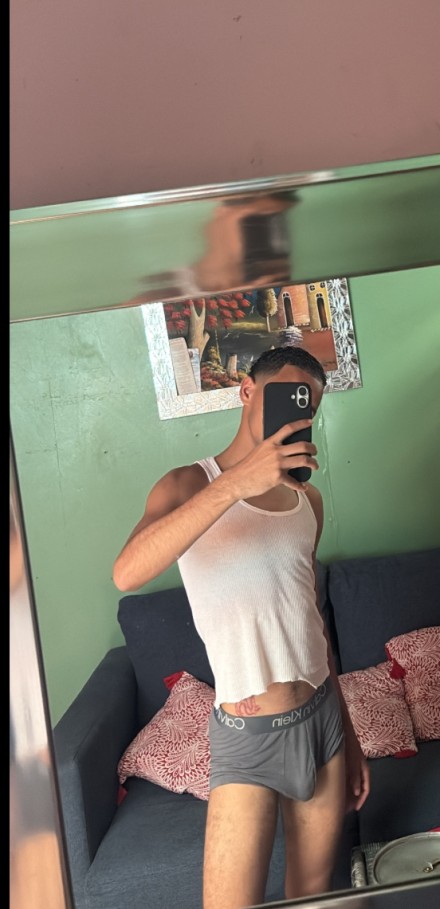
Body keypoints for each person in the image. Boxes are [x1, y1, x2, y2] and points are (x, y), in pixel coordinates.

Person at [113, 345, 370, 909]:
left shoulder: (308, 500)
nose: (296, 416)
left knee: (313, 897)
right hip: (246, 738)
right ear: (247, 393)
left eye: (307, 407)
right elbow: (127, 572)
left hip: (323, 723)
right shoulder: (187, 485)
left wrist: (350, 737)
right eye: (284, 398)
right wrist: (235, 484)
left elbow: (309, 621)